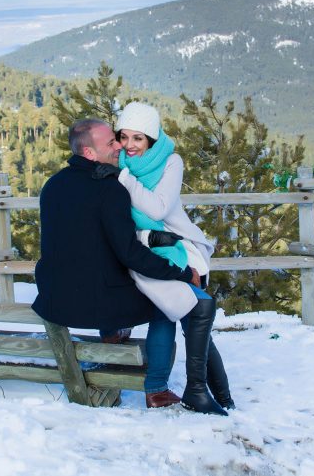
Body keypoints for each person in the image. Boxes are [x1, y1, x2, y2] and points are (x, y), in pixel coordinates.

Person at [31, 118, 201, 403]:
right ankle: (156, 388)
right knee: (165, 304)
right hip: (94, 302)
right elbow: (130, 254)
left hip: (55, 297)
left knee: (100, 275)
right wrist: (181, 273)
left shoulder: (53, 185)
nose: (119, 147)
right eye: (111, 143)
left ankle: (112, 336)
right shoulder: (109, 189)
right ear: (89, 153)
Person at [113, 102, 235, 415]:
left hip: (179, 250)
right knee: (182, 318)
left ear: (151, 139)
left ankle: (217, 395)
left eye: (138, 138)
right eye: (124, 137)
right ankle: (195, 393)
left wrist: (125, 179)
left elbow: (158, 209)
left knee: (190, 319)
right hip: (143, 251)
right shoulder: (117, 160)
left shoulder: (170, 161)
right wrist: (144, 238)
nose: (130, 145)